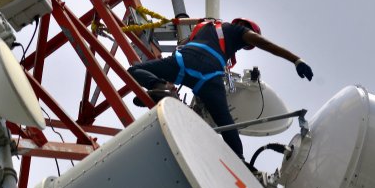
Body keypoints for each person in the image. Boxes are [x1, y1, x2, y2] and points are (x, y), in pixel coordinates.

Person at [127, 18, 313, 160]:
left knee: (135, 70)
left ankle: (158, 87)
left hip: (183, 63)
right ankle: (240, 162)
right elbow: (264, 43)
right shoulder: (237, 30)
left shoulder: (203, 28)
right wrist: (295, 60)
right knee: (225, 122)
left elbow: (182, 46)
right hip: (209, 75)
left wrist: (167, 79)